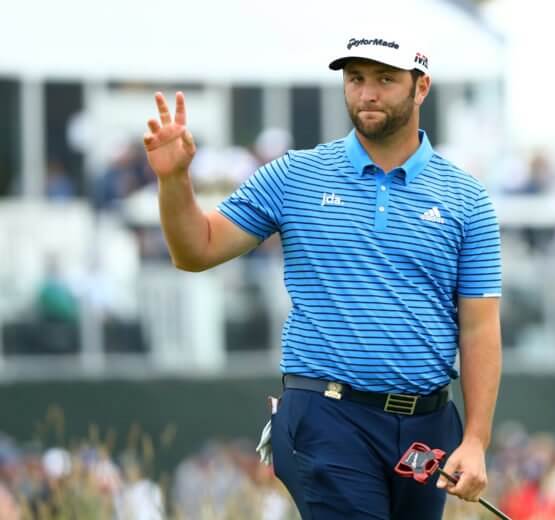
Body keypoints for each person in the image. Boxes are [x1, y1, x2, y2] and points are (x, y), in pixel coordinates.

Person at [143, 34, 502, 519]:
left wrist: (476, 439)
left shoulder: (467, 199)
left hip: (426, 426)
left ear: (421, 88)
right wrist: (173, 180)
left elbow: (479, 327)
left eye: (384, 80)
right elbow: (196, 250)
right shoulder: (295, 176)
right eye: (355, 79)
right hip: (326, 414)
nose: (366, 93)